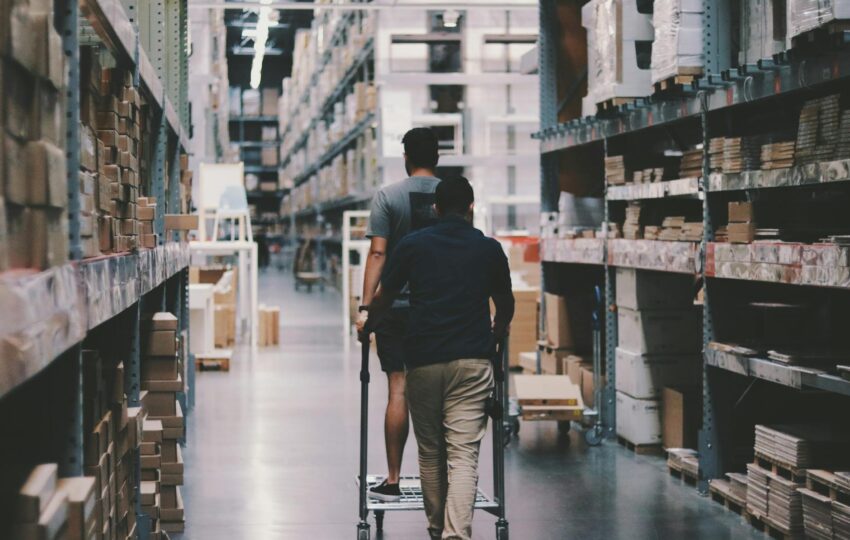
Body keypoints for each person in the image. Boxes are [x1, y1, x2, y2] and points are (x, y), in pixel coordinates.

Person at [362, 177, 515, 540]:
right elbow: (506, 304)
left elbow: (386, 296)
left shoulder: (413, 246)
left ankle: (435, 530)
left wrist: (369, 323)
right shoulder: (490, 249)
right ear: (471, 207)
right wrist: (496, 331)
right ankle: (455, 535)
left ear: (436, 208)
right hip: (473, 363)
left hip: (424, 360)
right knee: (463, 455)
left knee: (431, 453)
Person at [356, 127, 442, 501]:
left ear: (405, 157)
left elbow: (378, 253)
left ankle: (392, 480)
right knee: (439, 391)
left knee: (398, 388)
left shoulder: (388, 196)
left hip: (395, 307)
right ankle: (437, 478)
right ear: (437, 157)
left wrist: (365, 308)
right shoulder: (453, 195)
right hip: (438, 308)